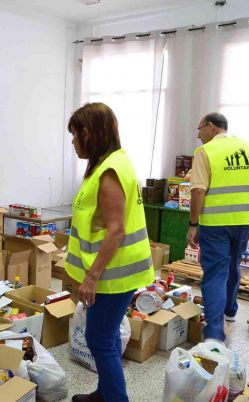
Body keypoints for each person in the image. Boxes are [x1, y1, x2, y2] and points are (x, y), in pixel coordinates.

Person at [65, 103, 154, 402]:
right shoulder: (111, 161)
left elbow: (116, 229)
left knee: (99, 339)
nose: (73, 142)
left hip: (114, 275)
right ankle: (105, 394)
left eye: (75, 135)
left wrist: (91, 278)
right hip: (115, 271)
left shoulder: (109, 172)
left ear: (88, 133)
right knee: (107, 334)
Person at [187, 112, 249, 343]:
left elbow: (198, 191)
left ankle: (214, 333)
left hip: (215, 224)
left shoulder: (205, 152)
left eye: (199, 129)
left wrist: (193, 224)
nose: (198, 135)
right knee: (233, 264)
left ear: (211, 127)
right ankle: (230, 311)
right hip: (244, 222)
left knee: (216, 272)